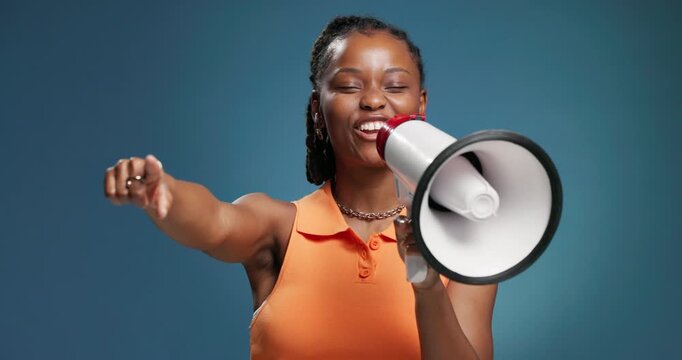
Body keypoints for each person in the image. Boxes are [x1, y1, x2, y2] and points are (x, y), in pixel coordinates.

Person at [104, 15, 497, 360]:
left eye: (395, 87)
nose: (374, 100)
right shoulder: (279, 226)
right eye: (348, 86)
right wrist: (165, 194)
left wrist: (426, 285)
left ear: (420, 105)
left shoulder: (462, 245)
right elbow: (215, 221)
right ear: (317, 110)